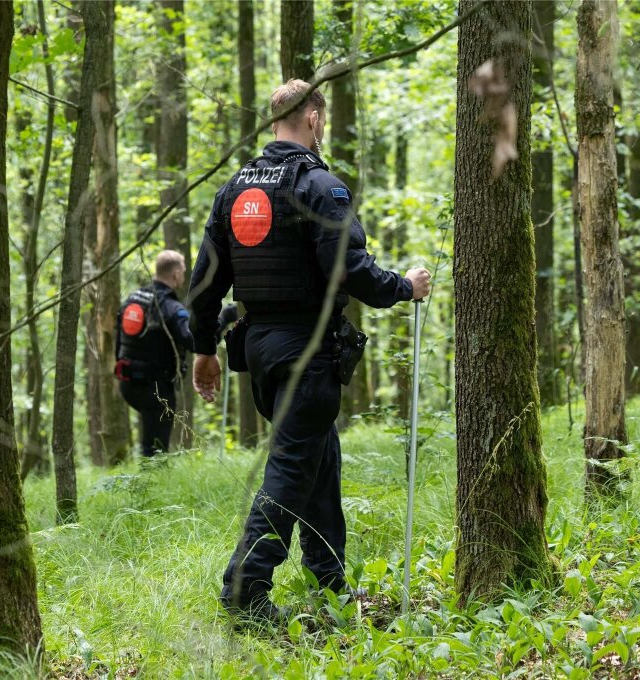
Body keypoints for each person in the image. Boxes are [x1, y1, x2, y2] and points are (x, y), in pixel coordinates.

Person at [187, 79, 431, 625]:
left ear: (276, 120)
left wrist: (205, 350)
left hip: (262, 351)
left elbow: (204, 283)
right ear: (314, 118)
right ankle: (244, 590)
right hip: (308, 350)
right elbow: (351, 269)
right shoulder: (321, 186)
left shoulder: (236, 191)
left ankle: (329, 583)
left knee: (319, 458)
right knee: (293, 466)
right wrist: (404, 285)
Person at [114, 250, 195, 457]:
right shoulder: (170, 307)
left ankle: (145, 482)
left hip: (128, 384)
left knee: (149, 440)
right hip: (156, 389)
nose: (183, 275)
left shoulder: (132, 299)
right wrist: (222, 321)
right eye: (183, 271)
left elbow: (118, 340)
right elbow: (193, 341)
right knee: (156, 451)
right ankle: (151, 485)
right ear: (175, 274)